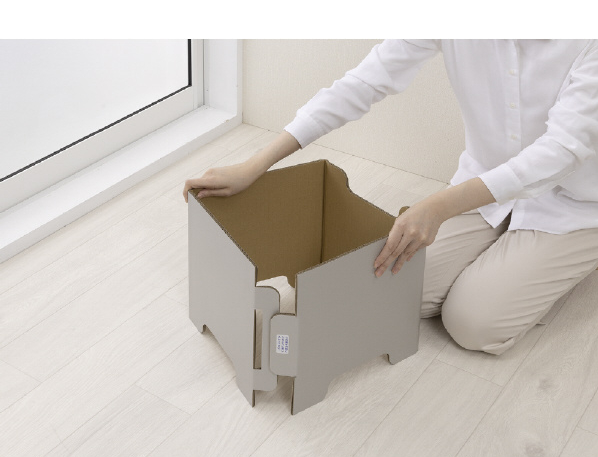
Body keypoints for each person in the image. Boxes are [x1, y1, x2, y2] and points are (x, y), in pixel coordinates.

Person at [183, 40, 598, 355]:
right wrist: (256, 164)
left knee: (471, 323)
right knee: (396, 292)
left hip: (574, 202)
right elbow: (364, 82)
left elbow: (561, 151)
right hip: (484, 187)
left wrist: (438, 206)